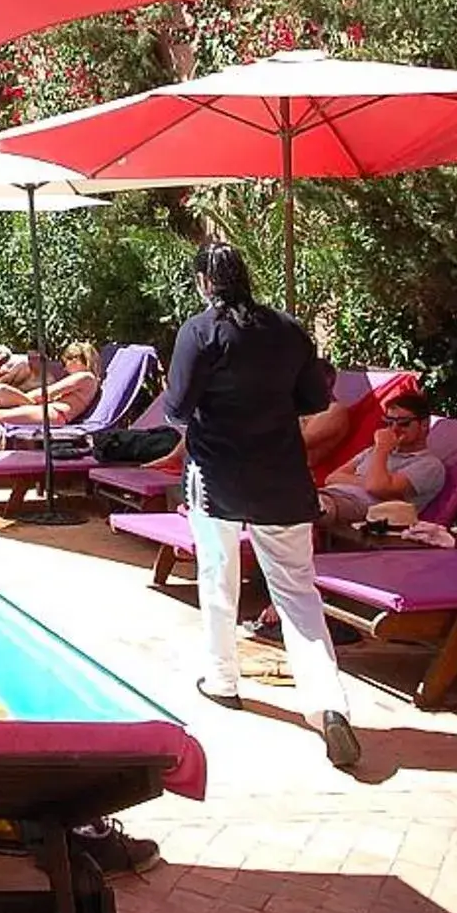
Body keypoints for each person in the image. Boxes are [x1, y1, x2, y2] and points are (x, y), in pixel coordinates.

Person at [164, 243, 360, 769]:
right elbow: (315, 400)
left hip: (216, 474)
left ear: (206, 282)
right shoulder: (290, 329)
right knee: (297, 590)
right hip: (282, 476)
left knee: (219, 576)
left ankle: (223, 679)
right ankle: (328, 704)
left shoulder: (199, 331)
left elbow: (177, 407)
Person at [318, 393, 446, 526]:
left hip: (364, 509)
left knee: (308, 509)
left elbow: (377, 488)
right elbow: (332, 478)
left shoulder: (429, 465)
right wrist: (369, 481)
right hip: (329, 494)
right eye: (389, 422)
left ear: (424, 425)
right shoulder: (374, 451)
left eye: (404, 423)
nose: (394, 429)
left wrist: (382, 449)